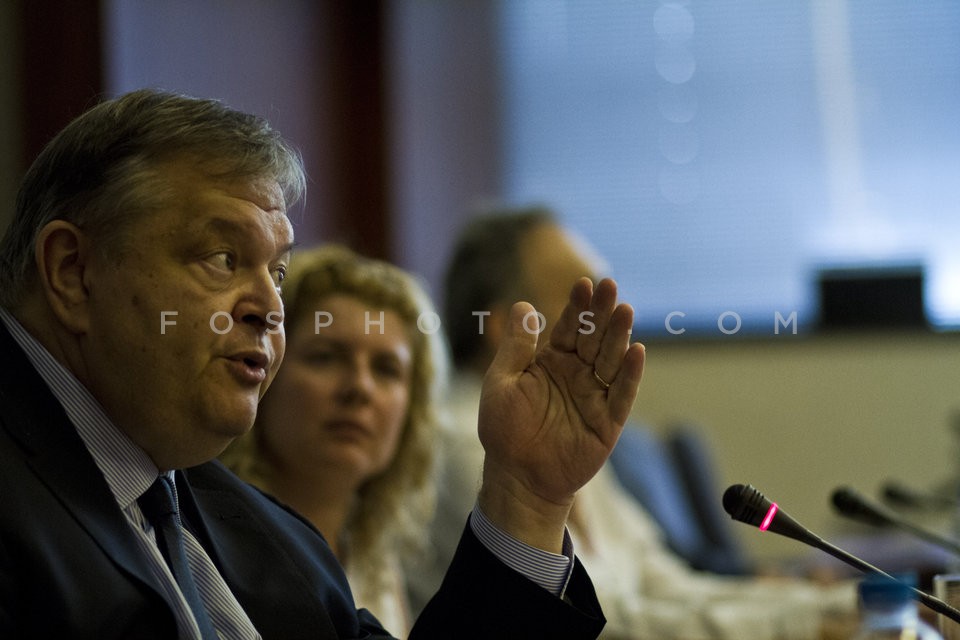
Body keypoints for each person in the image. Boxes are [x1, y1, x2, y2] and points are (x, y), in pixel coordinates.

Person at [0, 89, 645, 639]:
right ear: (72, 272)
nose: (269, 308)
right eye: (223, 259)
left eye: (277, 273)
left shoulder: (274, 538)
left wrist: (526, 497)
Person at [408, 207, 856, 640]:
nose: (613, 320)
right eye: (584, 303)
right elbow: (600, 625)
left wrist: (830, 605)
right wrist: (801, 625)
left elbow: (665, 583)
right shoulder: (466, 441)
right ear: (511, 327)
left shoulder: (559, 424)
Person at [221, 244, 447, 637]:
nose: (359, 388)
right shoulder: (212, 542)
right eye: (325, 357)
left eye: (386, 368)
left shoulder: (373, 557)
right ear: (263, 370)